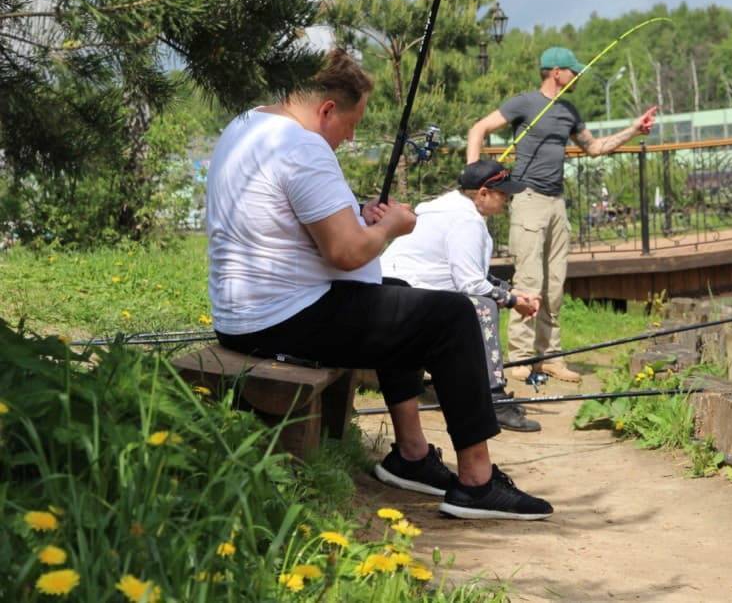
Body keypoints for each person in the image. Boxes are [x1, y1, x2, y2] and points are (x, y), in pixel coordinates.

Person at [205, 48, 552, 520]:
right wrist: (391, 227)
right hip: (282, 320)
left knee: (400, 291)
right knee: (452, 316)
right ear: (327, 109)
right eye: (351, 124)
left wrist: (358, 214)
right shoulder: (302, 148)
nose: (349, 138)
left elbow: (291, 222)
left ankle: (411, 455)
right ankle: (477, 481)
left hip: (244, 314)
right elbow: (345, 253)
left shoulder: (249, 125)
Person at [467, 46, 657, 383]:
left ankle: (549, 356)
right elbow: (477, 130)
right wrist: (474, 177)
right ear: (556, 72)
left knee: (554, 286)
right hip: (527, 200)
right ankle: (520, 359)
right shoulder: (524, 104)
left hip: (557, 204)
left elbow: (595, 148)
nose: (577, 76)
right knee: (528, 281)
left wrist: (634, 130)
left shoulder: (569, 111)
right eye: (573, 71)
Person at [381, 160, 543, 433]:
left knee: (480, 300)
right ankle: (493, 396)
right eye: (503, 194)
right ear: (482, 193)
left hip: (398, 292)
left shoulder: (452, 209)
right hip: (400, 297)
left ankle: (454, 381)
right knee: (483, 306)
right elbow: (471, 284)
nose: (508, 200)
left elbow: (467, 271)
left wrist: (511, 291)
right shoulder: (465, 220)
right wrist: (513, 302)